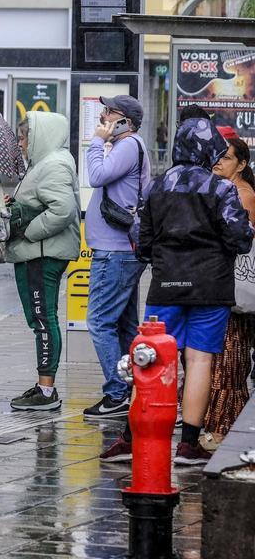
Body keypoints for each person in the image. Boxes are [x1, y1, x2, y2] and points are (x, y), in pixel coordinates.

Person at [101, 118, 253, 465]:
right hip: (211, 288)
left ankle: (131, 436)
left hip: (165, 286)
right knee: (200, 359)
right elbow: (240, 239)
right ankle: (188, 444)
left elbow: (140, 240)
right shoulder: (221, 189)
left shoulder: (157, 187)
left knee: (151, 357)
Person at [5, 112, 80, 411]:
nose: (21, 144)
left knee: (43, 318)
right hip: (36, 252)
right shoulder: (44, 164)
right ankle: (43, 385)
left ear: (38, 137)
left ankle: (46, 391)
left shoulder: (54, 165)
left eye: (24, 138)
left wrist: (28, 232)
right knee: (40, 318)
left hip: (42, 253)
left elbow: (62, 211)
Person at [83, 94, 150, 419]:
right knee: (125, 326)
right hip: (119, 250)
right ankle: (134, 388)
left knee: (98, 321)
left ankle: (116, 393)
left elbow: (96, 176)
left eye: (110, 112)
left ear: (125, 120)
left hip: (115, 252)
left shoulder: (126, 145)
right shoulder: (127, 146)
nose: (103, 115)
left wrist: (97, 142)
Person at [203, 136, 255, 447]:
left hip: (236, 290)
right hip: (229, 289)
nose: (218, 162)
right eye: (217, 157)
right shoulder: (226, 189)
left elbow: (238, 242)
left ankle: (223, 428)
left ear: (242, 164)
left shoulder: (242, 194)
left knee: (229, 359)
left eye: (227, 158)